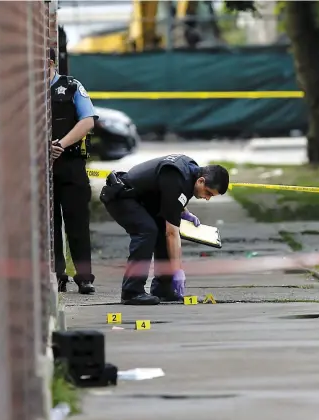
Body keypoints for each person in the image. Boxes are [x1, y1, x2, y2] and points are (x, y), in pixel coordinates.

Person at [99, 154, 230, 305]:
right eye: (208, 193)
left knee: (161, 227)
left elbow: (171, 196)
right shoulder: (177, 176)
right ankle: (131, 291)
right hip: (121, 197)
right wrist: (177, 271)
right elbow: (172, 233)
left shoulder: (190, 170)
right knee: (147, 231)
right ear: (201, 181)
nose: (207, 198)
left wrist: (183, 211)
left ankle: (163, 289)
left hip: (138, 199)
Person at [49, 47, 98, 294]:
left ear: (50, 62)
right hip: (42, 167)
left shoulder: (70, 87)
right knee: (50, 224)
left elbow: (88, 120)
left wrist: (60, 144)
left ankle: (84, 277)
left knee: (77, 221)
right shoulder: (30, 89)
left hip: (70, 163)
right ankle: (58, 275)